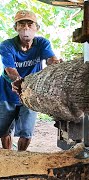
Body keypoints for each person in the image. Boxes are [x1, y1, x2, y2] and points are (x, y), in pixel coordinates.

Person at [0, 10, 62, 151]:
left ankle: (21, 157)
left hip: (29, 94)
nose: (26, 28)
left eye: (30, 24)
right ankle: (7, 156)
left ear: (36, 28)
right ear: (16, 28)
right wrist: (19, 82)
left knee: (26, 132)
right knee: (3, 131)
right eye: (21, 24)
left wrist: (57, 64)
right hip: (6, 94)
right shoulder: (6, 45)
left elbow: (50, 59)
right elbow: (10, 70)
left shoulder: (41, 43)